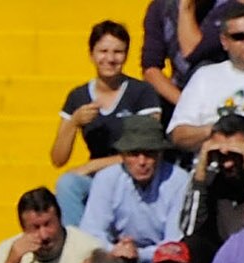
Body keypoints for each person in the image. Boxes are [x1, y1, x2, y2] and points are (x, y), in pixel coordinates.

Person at [56, 16, 166, 222]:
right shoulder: (78, 96)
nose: (110, 59)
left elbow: (151, 147)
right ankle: (79, 247)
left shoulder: (142, 93)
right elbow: (58, 158)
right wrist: (73, 123)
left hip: (134, 174)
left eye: (118, 52)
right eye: (103, 51)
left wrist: (92, 166)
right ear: (91, 54)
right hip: (97, 180)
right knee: (67, 184)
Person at [80, 112, 191, 261]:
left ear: (160, 154)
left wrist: (139, 255)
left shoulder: (179, 180)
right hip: (115, 257)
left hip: (160, 262)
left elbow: (173, 242)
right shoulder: (106, 179)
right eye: (134, 154)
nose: (142, 161)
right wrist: (116, 250)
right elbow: (91, 233)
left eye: (149, 154)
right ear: (123, 155)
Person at [170, 0, 244, 149]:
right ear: (224, 41)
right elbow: (178, 135)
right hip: (213, 167)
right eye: (239, 37)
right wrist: (216, 129)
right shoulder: (205, 77)